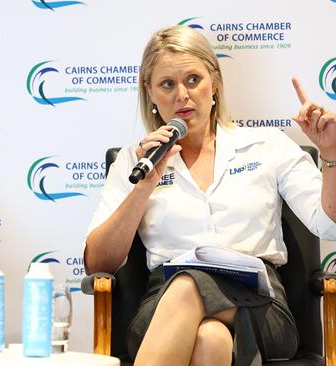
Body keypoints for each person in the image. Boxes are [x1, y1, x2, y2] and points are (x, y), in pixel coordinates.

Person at [84, 25, 336, 366]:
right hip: (163, 304)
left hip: (260, 303)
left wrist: (332, 156)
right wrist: (143, 187)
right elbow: (98, 262)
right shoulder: (136, 161)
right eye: (167, 84)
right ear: (150, 92)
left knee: (191, 287)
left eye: (193, 80)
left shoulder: (268, 146)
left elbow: (329, 224)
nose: (182, 95)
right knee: (210, 338)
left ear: (214, 82)